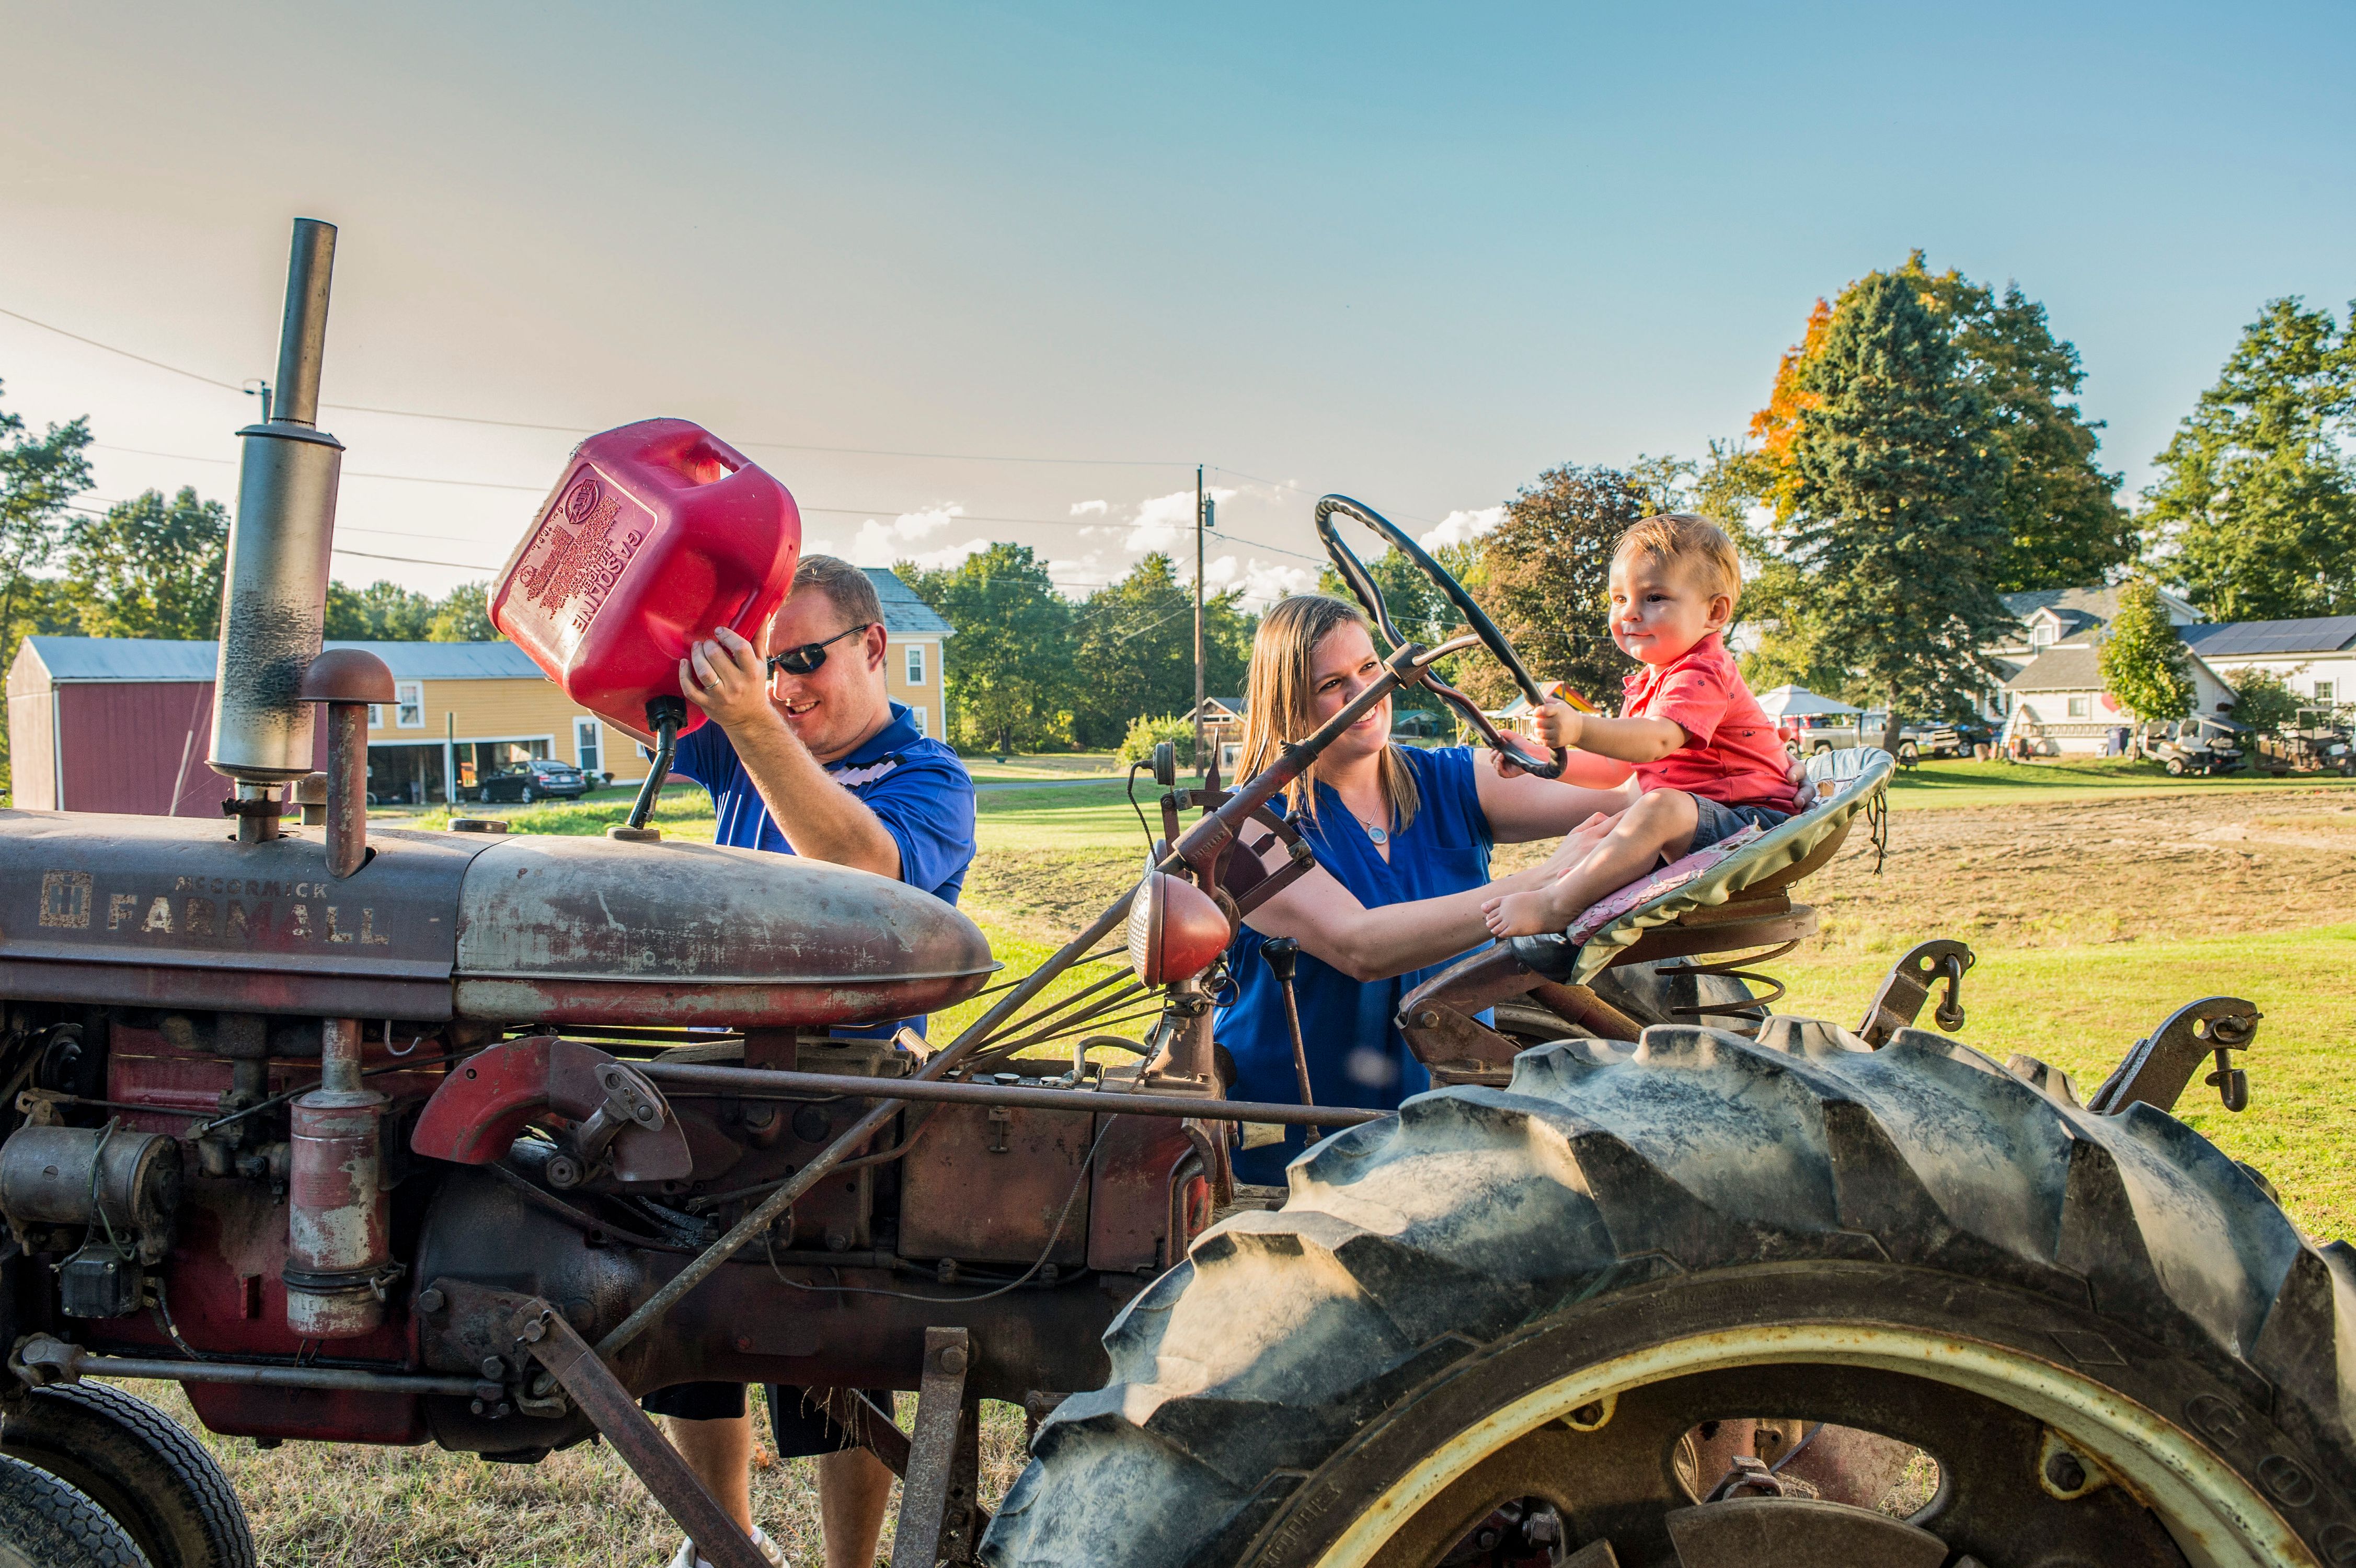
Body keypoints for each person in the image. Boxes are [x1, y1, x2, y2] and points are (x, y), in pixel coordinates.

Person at [641, 555, 977, 1568]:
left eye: (802, 660)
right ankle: (725, 1542)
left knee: (835, 1352)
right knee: (691, 1330)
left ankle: (849, 1567)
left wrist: (751, 723)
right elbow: (625, 695)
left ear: (874, 649)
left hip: (845, 1101)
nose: (782, 686)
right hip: (722, 1078)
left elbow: (864, 870)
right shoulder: (745, 733)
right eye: (765, 664)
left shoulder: (932, 780)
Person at [1211, 593, 1668, 1183]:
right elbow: (1361, 946)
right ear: (1287, 703)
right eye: (1332, 684)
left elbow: (1635, 799)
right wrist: (1547, 881)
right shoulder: (1249, 824)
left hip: (1442, 1122)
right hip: (1295, 1135)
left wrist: (1754, 778)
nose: (1363, 697)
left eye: (1369, 669)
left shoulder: (1450, 778)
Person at [1480, 513, 1796, 939]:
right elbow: (1617, 769)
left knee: (1657, 807)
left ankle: (1556, 904)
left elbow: (1657, 739)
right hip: (1706, 822)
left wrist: (1580, 728)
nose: (1629, 613)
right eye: (1618, 599)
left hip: (1754, 825)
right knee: (1613, 820)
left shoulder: (1701, 672)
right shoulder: (1650, 682)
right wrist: (1541, 758)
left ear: (1714, 612)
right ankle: (1569, 894)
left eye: (1654, 598)